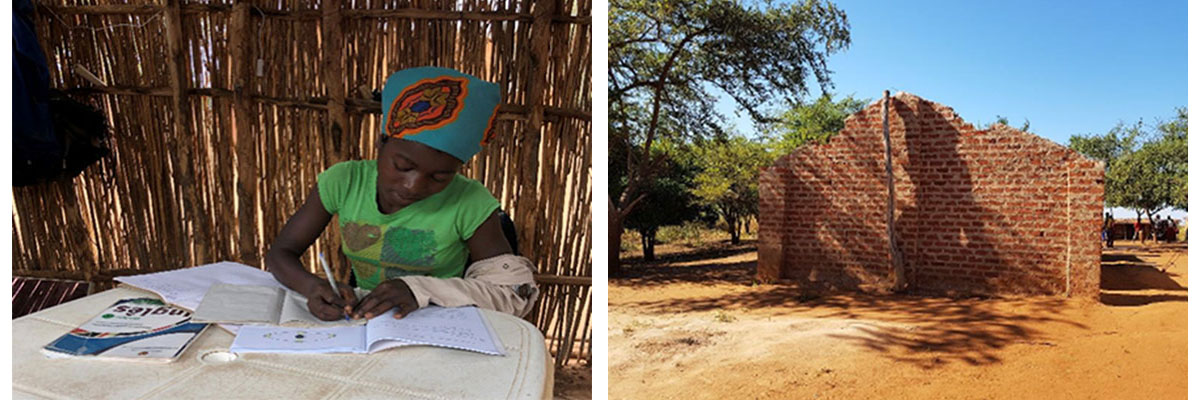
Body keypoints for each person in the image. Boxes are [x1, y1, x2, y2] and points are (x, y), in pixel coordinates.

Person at [265, 67, 537, 321]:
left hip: (441, 318)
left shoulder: (470, 202)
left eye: (439, 176)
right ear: (381, 142)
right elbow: (281, 253)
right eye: (403, 166)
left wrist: (418, 289)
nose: (413, 186)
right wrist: (312, 286)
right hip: (365, 316)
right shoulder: (345, 181)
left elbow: (513, 291)